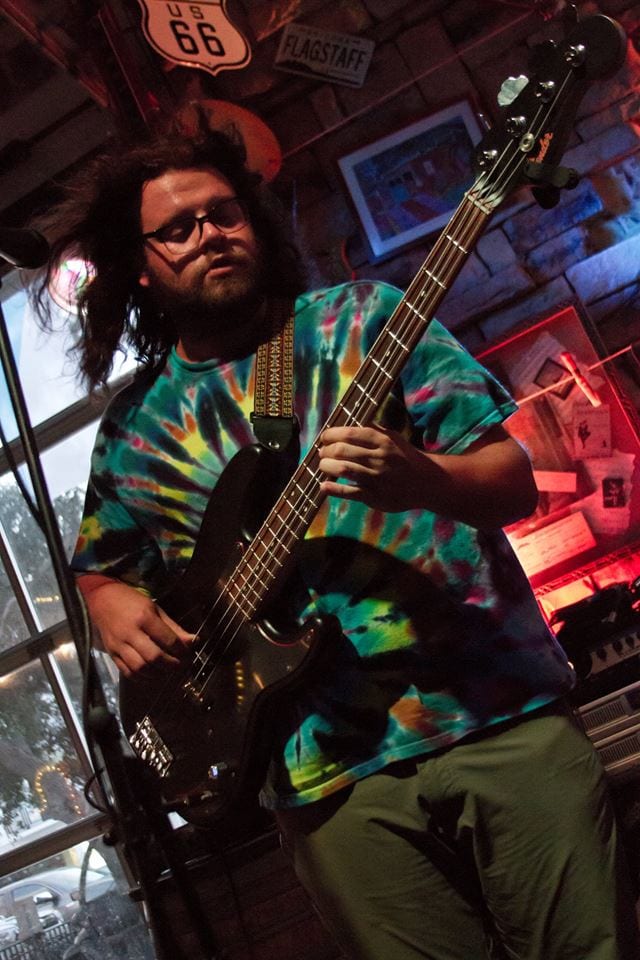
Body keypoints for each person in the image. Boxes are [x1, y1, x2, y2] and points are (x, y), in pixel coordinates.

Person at [31, 114, 638, 960]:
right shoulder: (136, 429)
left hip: (493, 712)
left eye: (223, 213)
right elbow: (103, 570)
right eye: (178, 229)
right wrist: (104, 601)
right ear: (139, 266)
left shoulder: (364, 320)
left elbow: (510, 483)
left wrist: (423, 480)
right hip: (323, 777)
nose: (210, 234)